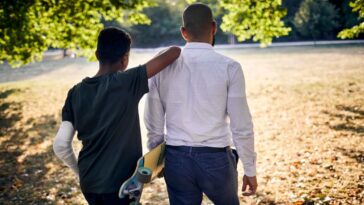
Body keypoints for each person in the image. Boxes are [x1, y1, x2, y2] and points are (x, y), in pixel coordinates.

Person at [144, 3, 257, 205]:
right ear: (214, 27)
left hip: (176, 159)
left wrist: (157, 160)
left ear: (184, 32)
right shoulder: (230, 67)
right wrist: (249, 168)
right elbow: (241, 125)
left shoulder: (163, 64)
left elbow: (153, 119)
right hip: (216, 159)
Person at [53, 27, 180, 205]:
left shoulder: (75, 93)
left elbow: (60, 145)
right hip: (120, 186)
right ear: (125, 59)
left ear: (97, 54)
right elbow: (174, 52)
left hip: (89, 184)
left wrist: (81, 173)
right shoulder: (126, 82)